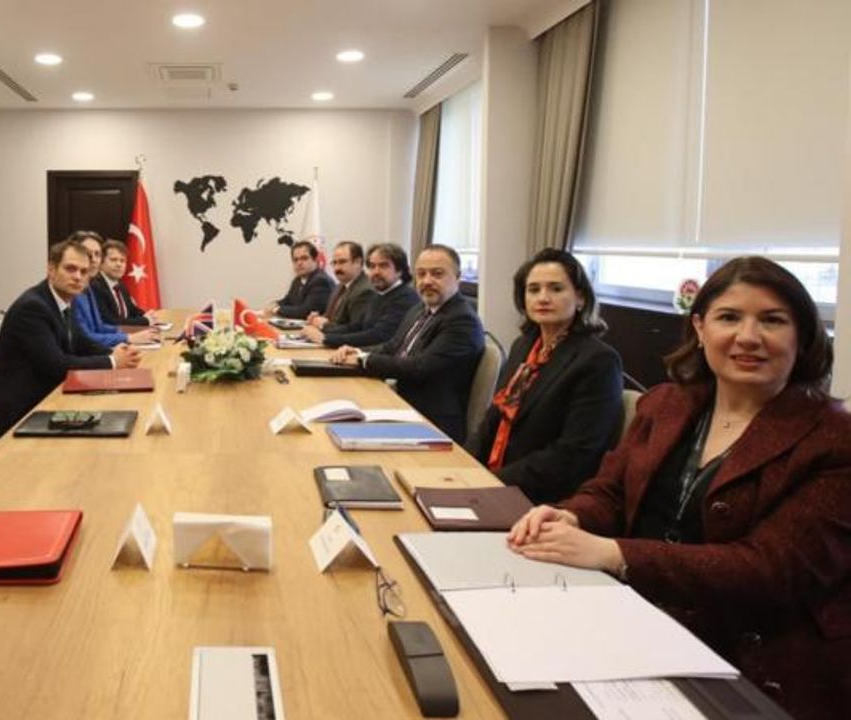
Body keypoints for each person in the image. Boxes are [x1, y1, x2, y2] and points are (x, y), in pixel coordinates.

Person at [507, 257, 850, 719]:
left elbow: (771, 570)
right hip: (632, 620)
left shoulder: (834, 439)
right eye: (729, 317)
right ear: (700, 328)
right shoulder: (666, 404)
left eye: (772, 320)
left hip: (753, 662)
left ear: (802, 335)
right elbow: (611, 491)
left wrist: (614, 553)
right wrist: (572, 515)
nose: (749, 336)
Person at [465, 248, 623, 503]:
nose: (543, 298)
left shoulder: (598, 361)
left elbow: (573, 455)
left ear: (580, 298)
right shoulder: (523, 345)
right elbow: (494, 417)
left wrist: (492, 482)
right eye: (533, 289)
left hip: (542, 499)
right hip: (494, 481)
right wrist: (464, 465)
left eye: (556, 289)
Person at [0, 238, 142, 437]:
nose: (78, 277)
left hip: (48, 398)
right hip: (19, 414)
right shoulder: (33, 307)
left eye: (84, 272)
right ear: (51, 269)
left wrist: (115, 352)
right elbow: (56, 365)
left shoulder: (65, 299)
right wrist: (112, 361)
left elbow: (80, 342)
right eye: (70, 269)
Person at [330, 244, 484, 442]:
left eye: (437, 274)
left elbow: (419, 367)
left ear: (457, 277)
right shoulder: (420, 308)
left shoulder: (462, 320)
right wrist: (356, 352)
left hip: (431, 421)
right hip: (401, 402)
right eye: (421, 274)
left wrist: (364, 360)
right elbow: (391, 347)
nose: (427, 281)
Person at [299, 242, 419, 349]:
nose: (376, 272)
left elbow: (378, 335)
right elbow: (357, 327)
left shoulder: (405, 297)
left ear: (400, 270)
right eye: (372, 266)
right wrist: (322, 331)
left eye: (383, 266)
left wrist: (325, 338)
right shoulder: (379, 293)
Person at [69, 231, 159, 347]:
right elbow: (85, 337)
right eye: (88, 253)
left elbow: (100, 327)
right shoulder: (84, 288)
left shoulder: (89, 287)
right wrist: (128, 337)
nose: (94, 259)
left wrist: (135, 332)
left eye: (97, 254)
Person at [306, 241, 371, 329]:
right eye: (334, 263)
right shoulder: (339, 287)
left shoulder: (365, 291)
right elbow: (332, 319)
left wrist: (324, 325)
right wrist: (317, 319)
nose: (337, 268)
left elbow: (355, 329)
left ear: (357, 262)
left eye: (342, 262)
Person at [93, 239, 159, 326]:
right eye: (113, 260)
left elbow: (132, 310)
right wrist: (145, 320)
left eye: (122, 261)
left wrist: (149, 315)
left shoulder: (120, 286)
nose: (119, 264)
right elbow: (110, 321)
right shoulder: (95, 286)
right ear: (101, 263)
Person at [265, 240, 335, 319]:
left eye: (304, 258)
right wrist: (275, 304)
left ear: (315, 260)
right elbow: (288, 300)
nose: (299, 263)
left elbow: (304, 312)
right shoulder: (297, 280)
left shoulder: (321, 281)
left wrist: (276, 309)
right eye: (295, 260)